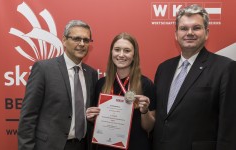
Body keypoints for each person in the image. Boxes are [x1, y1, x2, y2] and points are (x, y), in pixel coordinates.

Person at [152, 4, 236, 150]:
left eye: (196, 28)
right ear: (176, 34)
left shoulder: (225, 68)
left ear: (207, 32)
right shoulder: (163, 68)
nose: (189, 33)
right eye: (183, 28)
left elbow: (229, 125)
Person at [18, 20, 98, 150]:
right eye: (77, 38)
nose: (82, 44)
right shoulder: (44, 69)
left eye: (86, 40)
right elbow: (28, 117)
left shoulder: (91, 74)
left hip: (82, 145)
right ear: (64, 40)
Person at [86, 32, 156, 150]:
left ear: (134, 55)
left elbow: (149, 127)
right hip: (105, 146)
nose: (121, 54)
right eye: (117, 49)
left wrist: (144, 111)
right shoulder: (101, 83)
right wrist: (92, 117)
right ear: (111, 53)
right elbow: (97, 122)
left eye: (127, 51)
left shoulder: (145, 84)